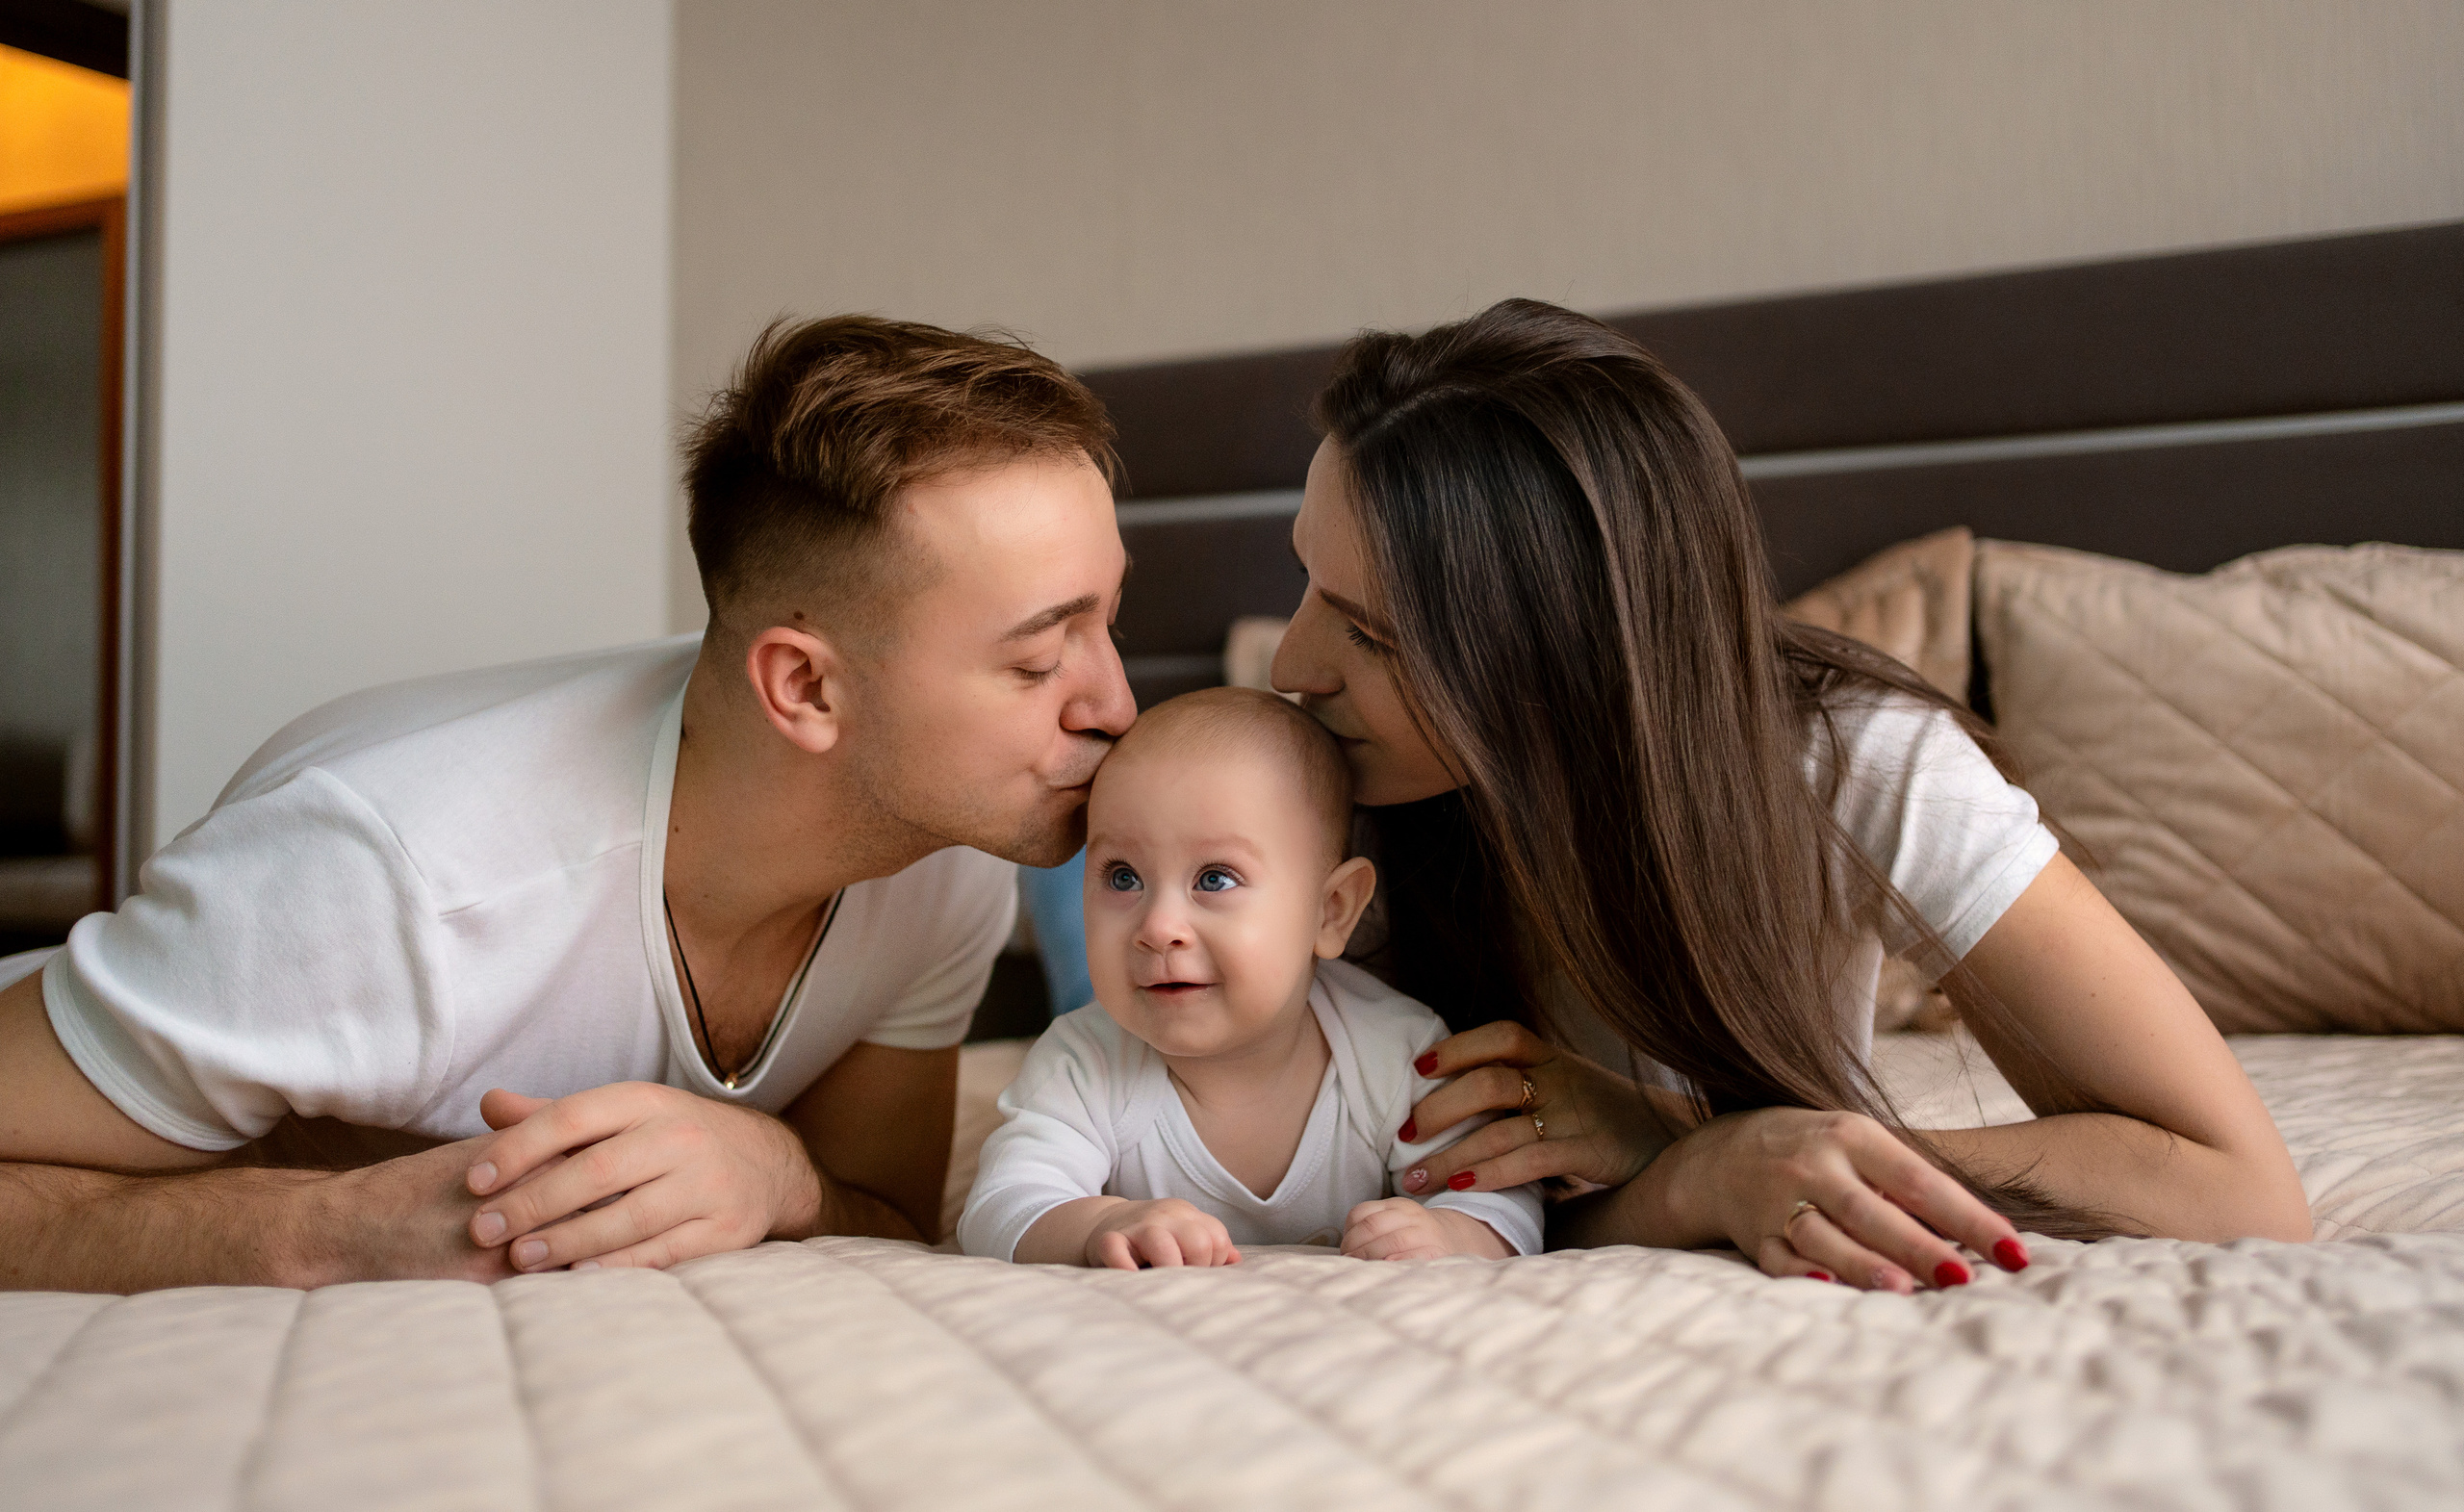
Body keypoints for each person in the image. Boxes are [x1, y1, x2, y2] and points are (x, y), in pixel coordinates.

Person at [0, 315, 1137, 1293]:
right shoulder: (387, 880)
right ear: (805, 687)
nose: (1117, 706)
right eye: (1039, 664)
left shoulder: (946, 848)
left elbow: (882, 1216)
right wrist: (328, 1231)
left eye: (1110, 622)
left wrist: (774, 1169)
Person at [1269, 298, 2313, 1293]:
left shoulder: (1855, 766)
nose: (1288, 663)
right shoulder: (1302, 797)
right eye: (1305, 584)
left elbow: (2239, 1189)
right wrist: (1700, 1165)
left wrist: (1710, 1144)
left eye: (1369, 634)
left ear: (1561, 659)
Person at [961, 688, 1541, 1268]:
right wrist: (1100, 1222)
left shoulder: (1398, 1052)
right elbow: (1003, 1206)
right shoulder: (1082, 1061)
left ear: (1331, 910)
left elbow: (1502, 1193)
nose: (1158, 927)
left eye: (1215, 879)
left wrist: (1451, 1233)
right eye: (1121, 877)